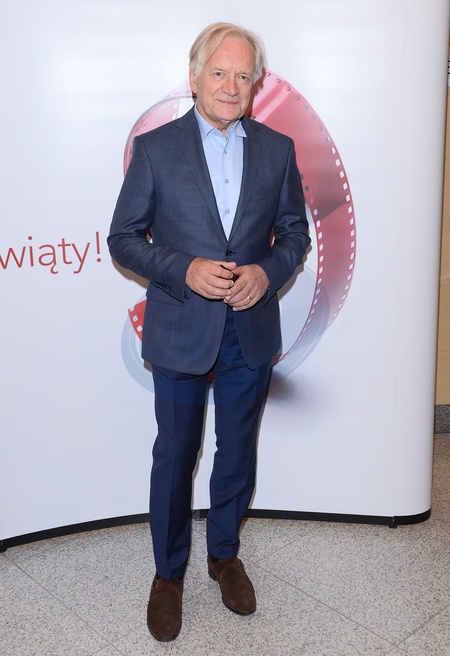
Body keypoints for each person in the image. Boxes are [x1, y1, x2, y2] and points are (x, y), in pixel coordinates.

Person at [108, 21, 310, 642]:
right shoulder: (156, 149)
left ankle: (224, 555)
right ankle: (168, 574)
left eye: (242, 75)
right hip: (180, 328)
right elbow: (123, 239)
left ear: (256, 85)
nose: (230, 85)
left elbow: (295, 234)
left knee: (238, 449)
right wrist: (184, 269)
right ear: (194, 77)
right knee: (176, 454)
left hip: (250, 328)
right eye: (219, 72)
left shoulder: (278, 149)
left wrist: (267, 272)